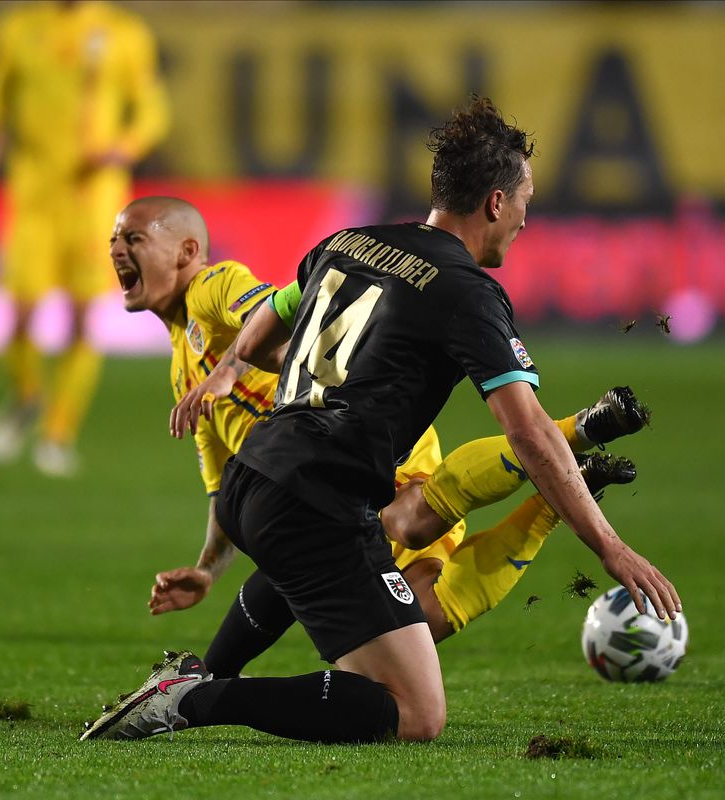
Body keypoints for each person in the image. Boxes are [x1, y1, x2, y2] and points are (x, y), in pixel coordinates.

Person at [81, 97, 680, 744]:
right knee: (415, 713)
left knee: (339, 559)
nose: (529, 218)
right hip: (319, 491)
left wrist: (230, 364)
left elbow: (276, 308)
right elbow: (529, 434)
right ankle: (195, 700)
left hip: (260, 480)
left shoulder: (348, 243)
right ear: (497, 203)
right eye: (526, 199)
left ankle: (199, 677)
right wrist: (611, 548)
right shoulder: (467, 293)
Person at [93, 196, 647, 679]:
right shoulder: (181, 372)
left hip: (364, 450)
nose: (117, 249)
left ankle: (577, 433)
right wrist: (208, 569)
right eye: (114, 238)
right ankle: (562, 489)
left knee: (406, 520)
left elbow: (274, 311)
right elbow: (220, 486)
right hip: (314, 473)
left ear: (187, 251)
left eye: (133, 238)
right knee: (426, 615)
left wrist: (232, 368)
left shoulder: (214, 287)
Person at [0, 0, 168, 477]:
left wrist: (126, 144)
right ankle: (26, 395)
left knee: (80, 318)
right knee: (20, 313)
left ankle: (58, 433)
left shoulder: (124, 32)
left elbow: (152, 109)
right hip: (35, 195)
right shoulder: (19, 28)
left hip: (94, 200)